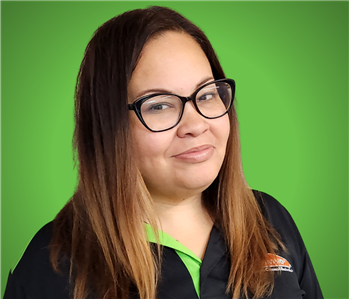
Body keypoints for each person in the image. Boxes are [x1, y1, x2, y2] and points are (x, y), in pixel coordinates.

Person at [3, 6, 323, 299]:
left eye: (207, 94)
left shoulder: (269, 219)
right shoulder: (53, 264)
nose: (195, 125)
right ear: (108, 126)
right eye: (158, 105)